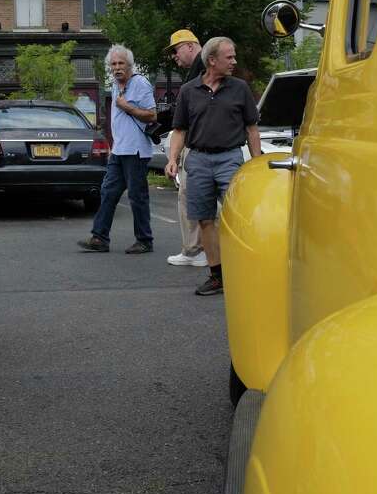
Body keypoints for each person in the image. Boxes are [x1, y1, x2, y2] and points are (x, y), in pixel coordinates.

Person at [166, 37, 262, 295]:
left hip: (229, 158)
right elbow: (179, 130)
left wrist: (257, 162)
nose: (234, 62)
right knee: (205, 219)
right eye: (229, 57)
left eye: (234, 56)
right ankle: (217, 276)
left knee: (236, 216)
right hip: (196, 160)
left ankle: (246, 271)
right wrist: (173, 159)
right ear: (211, 61)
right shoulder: (188, 91)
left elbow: (252, 129)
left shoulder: (240, 88)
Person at [78, 45, 157, 254]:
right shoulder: (114, 85)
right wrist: (114, 147)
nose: (117, 68)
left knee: (137, 196)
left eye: (121, 63)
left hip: (136, 151)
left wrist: (127, 107)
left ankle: (144, 240)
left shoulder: (140, 83)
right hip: (120, 150)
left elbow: (152, 115)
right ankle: (100, 237)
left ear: (129, 65)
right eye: (113, 64)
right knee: (108, 192)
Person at [163, 29, 208, 268]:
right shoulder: (204, 68)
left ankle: (195, 250)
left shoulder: (201, 69)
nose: (174, 57)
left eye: (176, 50)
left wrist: (176, 153)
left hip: (198, 145)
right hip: (206, 144)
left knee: (189, 195)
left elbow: (187, 120)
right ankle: (201, 250)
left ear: (190, 46)